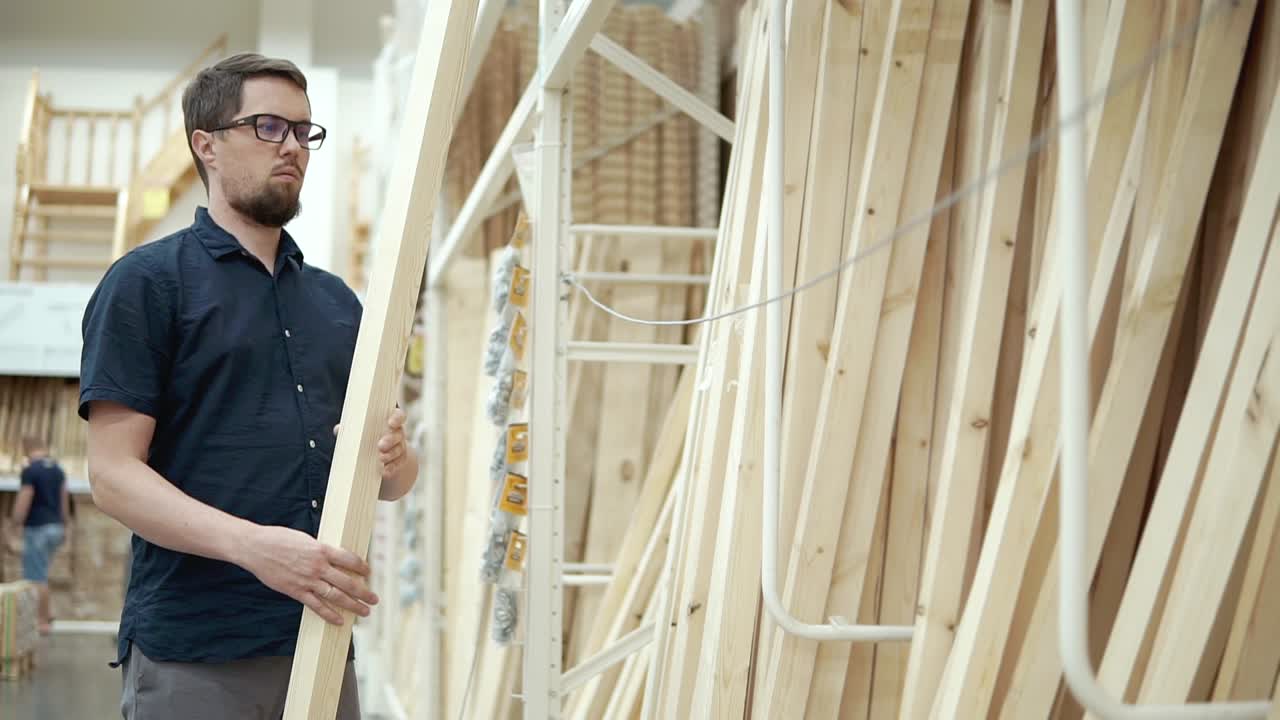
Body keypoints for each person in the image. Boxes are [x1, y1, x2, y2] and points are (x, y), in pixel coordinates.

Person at [79, 52, 419, 720]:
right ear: (206, 143)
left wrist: (396, 457)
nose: (292, 146)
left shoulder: (338, 304)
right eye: (268, 127)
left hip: (321, 641)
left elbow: (394, 481)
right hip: (195, 655)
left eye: (303, 131)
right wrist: (254, 548)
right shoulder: (148, 283)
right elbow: (113, 476)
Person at [8, 435, 70, 634]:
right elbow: (64, 499)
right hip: (55, 527)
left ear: (27, 449)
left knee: (35, 577)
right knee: (42, 571)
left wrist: (15, 523)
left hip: (37, 528)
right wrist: (65, 526)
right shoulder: (58, 469)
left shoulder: (30, 470)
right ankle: (48, 613)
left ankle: (42, 621)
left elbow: (24, 498)